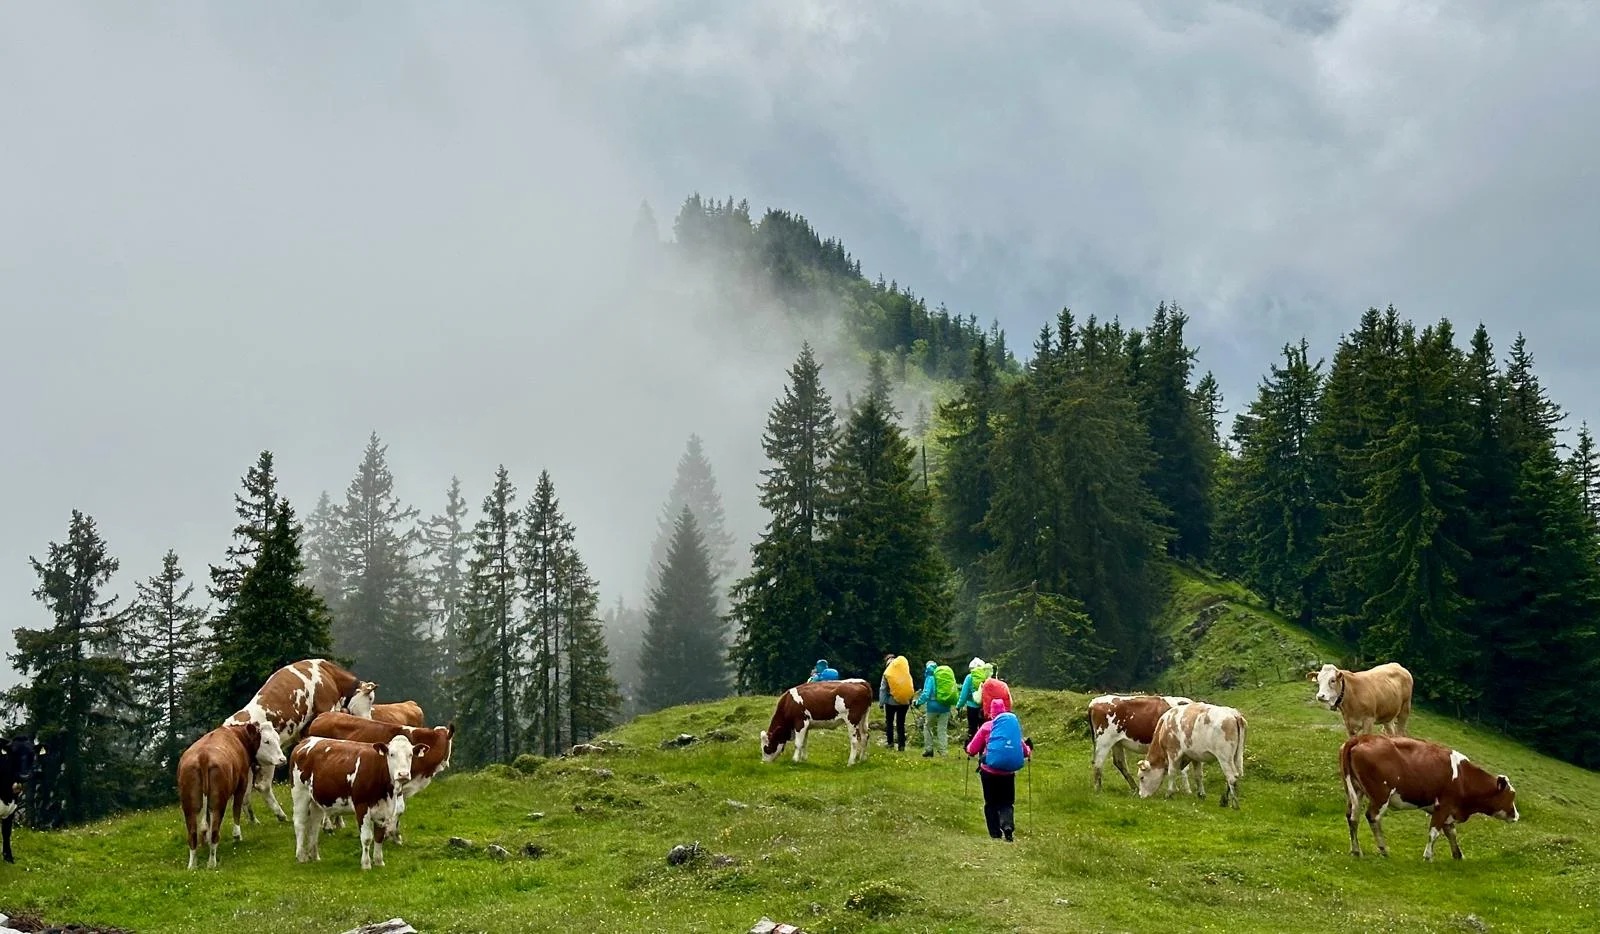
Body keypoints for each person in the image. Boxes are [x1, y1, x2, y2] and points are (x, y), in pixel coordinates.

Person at [966, 697, 1033, 841]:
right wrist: (1029, 748)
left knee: (991, 802)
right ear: (1004, 711)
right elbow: (1025, 751)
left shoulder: (986, 727)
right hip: (1008, 773)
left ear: (991, 713)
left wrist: (967, 748)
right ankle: (1008, 825)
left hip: (988, 771)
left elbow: (972, 749)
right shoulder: (1010, 728)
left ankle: (995, 833)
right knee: (1007, 802)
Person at [910, 660, 953, 757]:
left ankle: (929, 749)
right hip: (945, 705)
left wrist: (917, 703)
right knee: (942, 729)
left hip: (933, 706)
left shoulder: (930, 677)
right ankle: (943, 752)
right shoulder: (943, 677)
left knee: (928, 726)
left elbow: (926, 694)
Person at [878, 653, 912, 751]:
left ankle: (890, 743)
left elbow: (883, 689)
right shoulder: (903, 670)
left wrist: (881, 703)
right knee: (901, 723)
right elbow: (908, 684)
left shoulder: (887, 672)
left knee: (889, 723)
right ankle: (902, 745)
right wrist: (909, 699)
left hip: (891, 702)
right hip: (904, 702)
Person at [956, 657, 994, 741]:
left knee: (972, 729)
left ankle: (971, 751)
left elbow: (964, 695)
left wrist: (959, 705)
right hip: (984, 707)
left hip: (972, 707)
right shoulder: (986, 676)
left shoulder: (969, 677)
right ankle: (982, 752)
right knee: (984, 729)